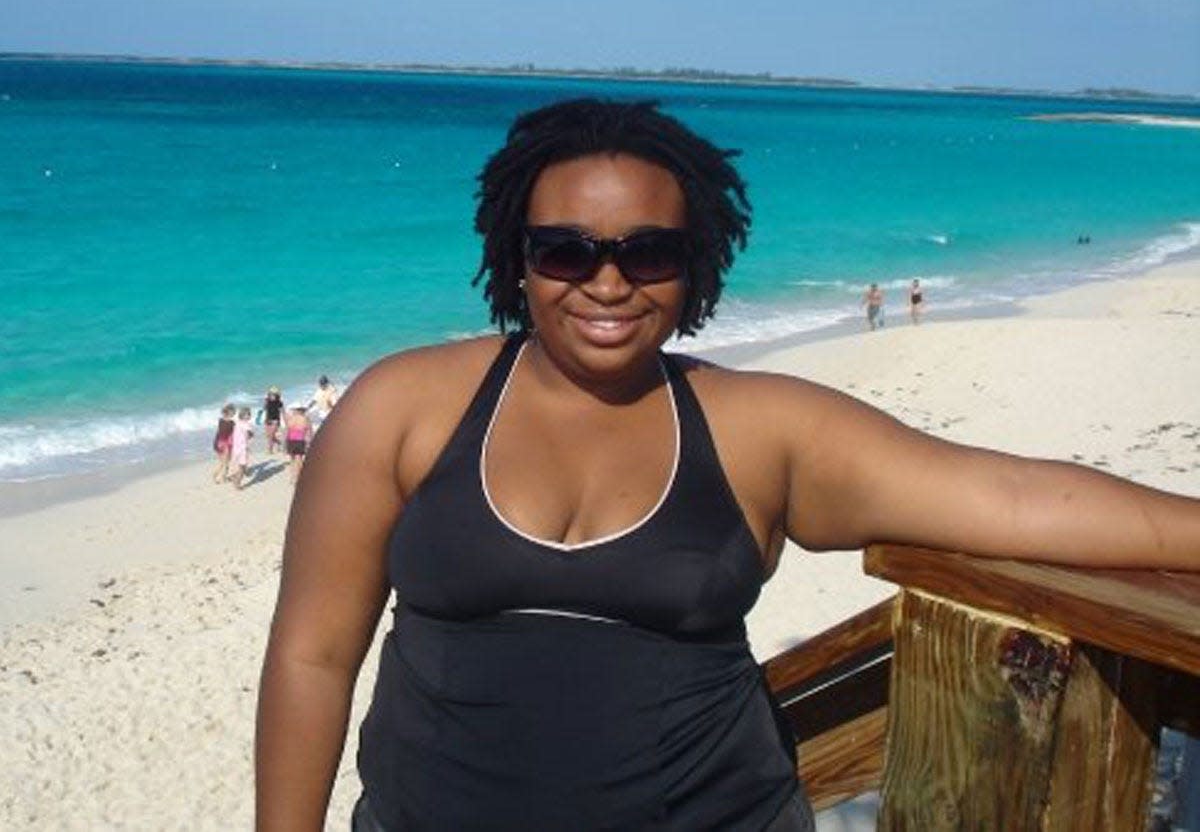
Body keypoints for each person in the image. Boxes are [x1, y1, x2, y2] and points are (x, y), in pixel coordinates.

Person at [256, 99, 1200, 832]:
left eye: (649, 251)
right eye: (567, 250)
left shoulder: (757, 428)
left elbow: (1011, 495)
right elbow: (312, 655)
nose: (609, 281)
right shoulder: (404, 407)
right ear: (519, 257)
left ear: (696, 262)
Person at [283, 404, 312, 485]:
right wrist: (310, 440)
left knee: (292, 459)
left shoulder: (290, 418)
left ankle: (292, 478)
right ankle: (298, 477)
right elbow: (309, 430)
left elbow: (287, 430)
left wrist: (284, 442)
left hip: (291, 440)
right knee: (298, 458)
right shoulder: (305, 418)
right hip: (300, 440)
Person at [230, 406, 256, 490]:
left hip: (236, 447)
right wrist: (251, 435)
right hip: (242, 448)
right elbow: (251, 434)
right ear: (242, 415)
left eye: (249, 414)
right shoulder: (246, 424)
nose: (249, 416)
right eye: (247, 414)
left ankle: (235, 477)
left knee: (238, 464)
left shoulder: (237, 423)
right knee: (242, 465)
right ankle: (237, 484)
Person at [211, 403, 235, 484]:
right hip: (226, 444)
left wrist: (215, 444)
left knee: (223, 462)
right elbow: (231, 434)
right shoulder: (231, 423)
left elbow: (219, 434)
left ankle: (220, 476)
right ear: (229, 412)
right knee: (225, 462)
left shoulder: (221, 421)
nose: (234, 413)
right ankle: (220, 477)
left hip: (219, 443)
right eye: (233, 412)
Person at [262, 386, 286, 454]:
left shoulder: (279, 402)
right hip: (268, 419)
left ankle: (270, 450)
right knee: (268, 435)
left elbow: (283, 412)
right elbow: (264, 409)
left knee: (271, 435)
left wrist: (286, 421)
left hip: (275, 420)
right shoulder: (267, 400)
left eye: (274, 394)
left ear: (277, 395)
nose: (272, 395)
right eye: (271, 393)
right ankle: (279, 443)